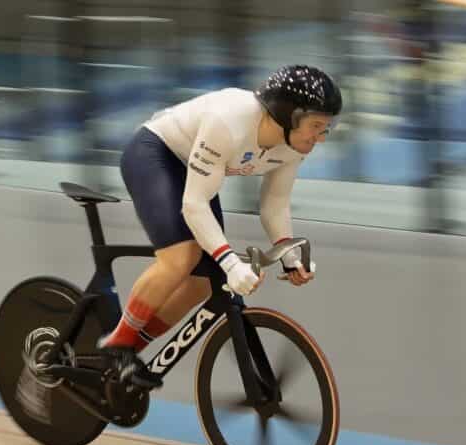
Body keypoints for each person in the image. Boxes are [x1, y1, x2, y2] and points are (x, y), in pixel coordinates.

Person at [100, 64, 343, 389]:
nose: (320, 138)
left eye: (325, 128)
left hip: (197, 173)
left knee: (203, 282)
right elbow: (194, 205)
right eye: (316, 126)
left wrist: (288, 255)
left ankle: (129, 352)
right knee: (182, 257)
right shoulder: (229, 121)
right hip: (156, 154)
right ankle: (117, 346)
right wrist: (230, 263)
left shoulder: (293, 145)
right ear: (288, 115)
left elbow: (275, 204)